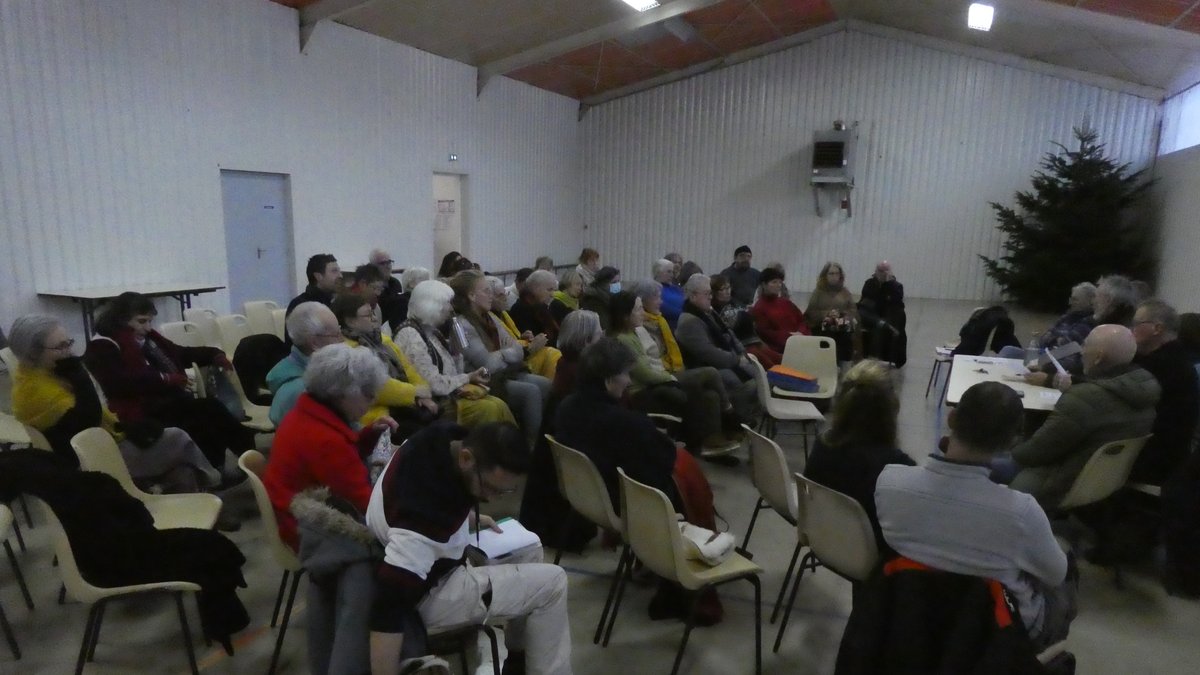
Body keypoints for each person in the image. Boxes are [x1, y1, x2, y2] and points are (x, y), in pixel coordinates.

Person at [875, 382, 1077, 651]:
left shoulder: (889, 481)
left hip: (907, 622)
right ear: (1012, 441)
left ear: (952, 418)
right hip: (994, 638)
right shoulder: (1022, 513)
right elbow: (1056, 574)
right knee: (1064, 571)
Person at [366, 422, 572, 675]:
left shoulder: (437, 437)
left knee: (530, 548)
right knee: (554, 582)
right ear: (466, 458)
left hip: (431, 557)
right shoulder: (424, 523)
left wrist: (468, 519)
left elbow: (413, 502)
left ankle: (517, 659)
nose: (493, 498)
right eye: (492, 489)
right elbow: (388, 605)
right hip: (430, 594)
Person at [555, 338, 723, 624]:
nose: (629, 381)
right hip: (625, 504)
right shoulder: (626, 424)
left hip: (588, 498)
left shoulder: (566, 406)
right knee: (681, 479)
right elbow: (663, 461)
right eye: (626, 374)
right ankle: (678, 572)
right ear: (609, 380)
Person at [263, 344, 397, 675]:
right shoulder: (324, 439)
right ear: (342, 394)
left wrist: (368, 436)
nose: (370, 400)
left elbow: (341, 467)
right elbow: (368, 509)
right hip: (310, 529)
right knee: (381, 562)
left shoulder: (309, 412)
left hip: (301, 514)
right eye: (366, 394)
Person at [9, 314, 221, 491]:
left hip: (106, 440)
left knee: (182, 468)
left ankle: (198, 496)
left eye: (69, 342)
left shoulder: (49, 373)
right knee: (178, 437)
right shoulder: (34, 391)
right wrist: (80, 376)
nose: (70, 351)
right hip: (92, 461)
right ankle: (215, 481)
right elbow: (88, 421)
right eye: (61, 346)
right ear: (33, 353)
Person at [85, 292, 254, 472]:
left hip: (162, 402)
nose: (148, 328)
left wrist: (213, 354)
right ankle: (236, 463)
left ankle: (240, 460)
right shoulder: (103, 346)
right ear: (121, 320)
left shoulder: (148, 340)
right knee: (206, 411)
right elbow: (120, 384)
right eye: (142, 321)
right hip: (136, 411)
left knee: (208, 410)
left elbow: (181, 353)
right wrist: (166, 379)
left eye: (150, 321)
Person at [1003, 325, 1159, 508]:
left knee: (976, 460)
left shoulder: (1084, 398)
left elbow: (1032, 454)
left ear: (1099, 357)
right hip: (1100, 481)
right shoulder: (1146, 393)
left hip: (1056, 482)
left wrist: (1007, 447)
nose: (1082, 352)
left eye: (1085, 346)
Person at [609, 291, 743, 456]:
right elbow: (645, 374)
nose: (643, 313)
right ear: (624, 316)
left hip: (659, 378)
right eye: (638, 309)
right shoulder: (623, 340)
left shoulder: (634, 333)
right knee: (710, 373)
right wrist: (670, 377)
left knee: (710, 395)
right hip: (645, 389)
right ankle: (730, 416)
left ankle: (711, 440)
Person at [804, 359, 914, 556]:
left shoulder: (823, 444)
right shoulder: (898, 466)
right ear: (891, 409)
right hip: (872, 559)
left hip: (822, 540)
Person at [393, 280, 515, 428]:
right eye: (447, 303)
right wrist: (467, 377)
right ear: (433, 305)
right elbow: (434, 384)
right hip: (435, 403)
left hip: (448, 395)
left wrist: (457, 353)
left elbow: (452, 372)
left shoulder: (432, 331)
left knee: (498, 403)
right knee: (491, 408)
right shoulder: (410, 335)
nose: (451, 309)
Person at [447, 270, 551, 444]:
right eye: (486, 291)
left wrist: (503, 353)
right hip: (479, 380)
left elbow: (517, 348)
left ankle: (543, 441)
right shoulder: (459, 326)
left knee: (545, 384)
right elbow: (487, 364)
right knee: (530, 392)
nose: (491, 296)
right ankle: (531, 447)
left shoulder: (490, 318)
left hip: (504, 372)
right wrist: (506, 353)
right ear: (471, 296)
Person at [331, 292, 438, 429]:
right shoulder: (346, 350)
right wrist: (415, 393)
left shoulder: (382, 339)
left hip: (403, 405)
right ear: (350, 321)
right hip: (375, 415)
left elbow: (409, 369)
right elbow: (377, 386)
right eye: (368, 315)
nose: (374, 318)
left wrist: (424, 394)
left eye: (373, 313)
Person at [673, 273, 760, 423]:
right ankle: (735, 422)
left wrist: (742, 352)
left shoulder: (707, 312)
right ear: (693, 296)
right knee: (745, 383)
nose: (710, 297)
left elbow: (729, 334)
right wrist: (736, 359)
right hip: (706, 365)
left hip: (724, 358)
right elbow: (708, 353)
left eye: (710, 293)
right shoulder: (689, 321)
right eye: (707, 294)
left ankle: (745, 418)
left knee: (758, 373)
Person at [1129, 299, 1199, 484]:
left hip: (1153, 459)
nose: (1132, 329)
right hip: (1167, 456)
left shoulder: (1163, 365)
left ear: (1157, 329)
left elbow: (1116, 389)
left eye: (1137, 323)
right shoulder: (1173, 359)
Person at [266, 301, 347, 425]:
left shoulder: (312, 372)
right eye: (336, 334)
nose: (343, 340)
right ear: (314, 343)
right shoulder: (302, 390)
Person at [487, 274, 560, 380]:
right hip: (510, 366)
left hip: (522, 354)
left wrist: (521, 337)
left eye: (505, 294)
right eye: (500, 295)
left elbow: (513, 339)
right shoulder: (520, 309)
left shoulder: (504, 314)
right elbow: (502, 349)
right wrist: (528, 347)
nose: (505, 298)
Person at [713, 274, 781, 369]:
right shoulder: (715, 312)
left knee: (779, 358)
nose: (727, 292)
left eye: (728, 288)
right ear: (714, 293)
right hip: (741, 346)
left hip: (754, 340)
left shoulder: (733, 303)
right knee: (770, 364)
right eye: (723, 289)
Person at [805, 261, 860, 363]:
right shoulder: (818, 292)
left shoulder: (845, 292)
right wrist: (827, 314)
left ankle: (844, 363)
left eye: (837, 273)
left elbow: (853, 310)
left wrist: (841, 314)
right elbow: (811, 312)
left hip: (842, 326)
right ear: (825, 275)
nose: (834, 276)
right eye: (831, 273)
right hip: (821, 327)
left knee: (846, 336)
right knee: (830, 333)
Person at [857, 261, 907, 367]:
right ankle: (880, 323)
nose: (882, 273)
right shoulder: (869, 283)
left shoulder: (897, 287)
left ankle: (878, 358)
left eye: (885, 271)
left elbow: (895, 303)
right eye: (880, 271)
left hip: (889, 316)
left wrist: (888, 283)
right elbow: (866, 302)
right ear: (875, 272)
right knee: (864, 314)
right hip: (872, 315)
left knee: (885, 323)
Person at [750, 266, 809, 354]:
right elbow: (766, 333)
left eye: (780, 282)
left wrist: (801, 332)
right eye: (774, 282)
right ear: (763, 284)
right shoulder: (759, 308)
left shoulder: (786, 303)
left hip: (800, 342)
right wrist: (790, 337)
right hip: (781, 350)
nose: (778, 285)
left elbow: (802, 320)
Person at [509, 269, 562, 347]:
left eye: (554, 290)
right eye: (549, 290)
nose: (552, 294)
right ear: (535, 288)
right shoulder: (521, 309)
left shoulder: (541, 305)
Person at [286, 253, 341, 324]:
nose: (340, 275)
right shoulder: (300, 306)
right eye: (334, 271)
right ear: (318, 276)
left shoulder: (336, 302)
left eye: (339, 271)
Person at [370, 248, 406, 331]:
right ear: (373, 266)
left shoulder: (395, 283)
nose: (388, 266)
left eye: (389, 262)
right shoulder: (370, 287)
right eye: (383, 263)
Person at [579, 265, 621, 331]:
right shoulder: (593, 300)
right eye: (614, 282)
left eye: (618, 281)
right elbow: (604, 326)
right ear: (603, 284)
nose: (617, 285)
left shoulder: (611, 297)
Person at [350, 264, 388, 328]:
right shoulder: (348, 306)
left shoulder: (376, 307)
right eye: (375, 288)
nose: (378, 294)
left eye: (380, 289)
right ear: (362, 284)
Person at [653, 258, 685, 328]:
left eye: (672, 272)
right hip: (667, 323)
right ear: (658, 272)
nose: (672, 275)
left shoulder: (676, 288)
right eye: (669, 272)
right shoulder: (654, 289)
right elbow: (665, 308)